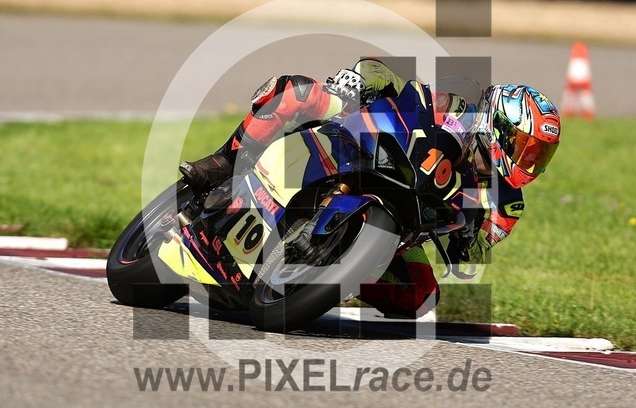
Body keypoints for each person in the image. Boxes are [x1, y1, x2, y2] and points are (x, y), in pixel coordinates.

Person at [179, 58, 562, 319]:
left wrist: (468, 238)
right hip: (357, 144)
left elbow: (471, 258)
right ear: (499, 126)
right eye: (527, 148)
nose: (529, 162)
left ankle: (334, 275)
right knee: (297, 91)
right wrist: (358, 82)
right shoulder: (459, 109)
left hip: (401, 228)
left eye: (539, 156)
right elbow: (387, 77)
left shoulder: (506, 203)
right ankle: (225, 161)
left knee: (421, 297)